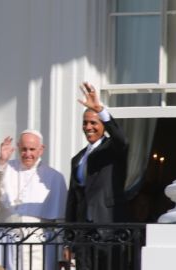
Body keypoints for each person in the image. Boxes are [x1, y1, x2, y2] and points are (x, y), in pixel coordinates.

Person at [64, 82, 129, 270]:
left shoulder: (113, 149)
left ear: (102, 125)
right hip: (83, 231)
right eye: (85, 123)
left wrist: (100, 110)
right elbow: (72, 200)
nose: (88, 127)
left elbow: (122, 139)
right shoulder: (77, 158)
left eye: (94, 122)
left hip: (108, 227)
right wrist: (69, 239)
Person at [0, 129, 67, 270]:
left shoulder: (55, 177)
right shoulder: (6, 168)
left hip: (40, 245)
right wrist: (2, 160)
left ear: (41, 149)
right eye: (24, 149)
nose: (28, 154)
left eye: (32, 149)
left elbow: (60, 220)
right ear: (18, 147)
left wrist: (61, 255)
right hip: (7, 241)